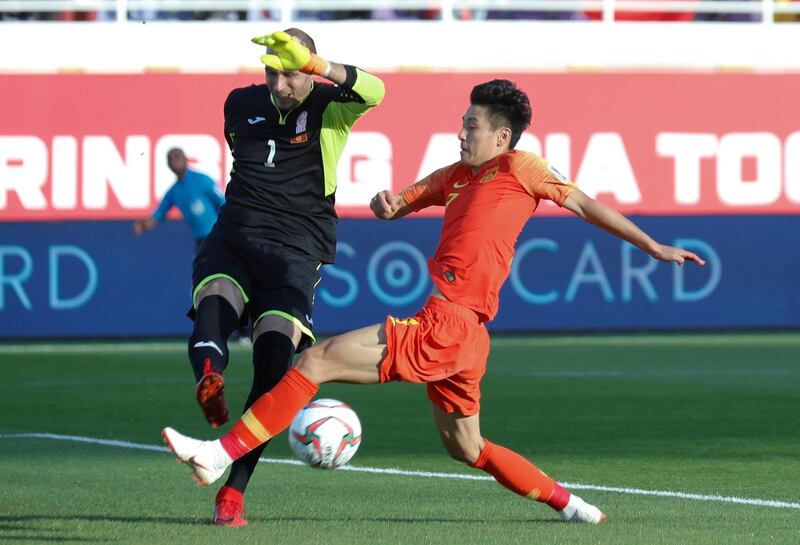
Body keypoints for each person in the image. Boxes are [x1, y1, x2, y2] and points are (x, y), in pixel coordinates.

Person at [162, 79, 704, 525]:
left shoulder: (523, 168)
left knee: (314, 360)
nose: (461, 132)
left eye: (472, 126)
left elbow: (584, 205)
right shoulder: (456, 177)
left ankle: (217, 456)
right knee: (467, 449)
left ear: (503, 135)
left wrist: (652, 245)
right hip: (465, 336)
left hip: (449, 322)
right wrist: (387, 203)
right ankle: (573, 506)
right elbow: (399, 205)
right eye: (462, 123)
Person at [179, 29, 385, 526]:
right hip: (235, 237)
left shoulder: (331, 105)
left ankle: (232, 487)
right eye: (272, 71)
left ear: (308, 68)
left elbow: (375, 89)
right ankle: (210, 382)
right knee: (213, 310)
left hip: (294, 253)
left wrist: (317, 64)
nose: (278, 83)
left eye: (289, 72)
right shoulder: (239, 104)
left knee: (274, 367)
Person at [133, 147, 224, 250]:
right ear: (168, 164)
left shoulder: (202, 180)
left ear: (186, 159)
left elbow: (223, 202)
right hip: (200, 240)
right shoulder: (173, 192)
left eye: (177, 157)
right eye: (170, 159)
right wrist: (141, 225)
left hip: (218, 236)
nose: (174, 161)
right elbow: (157, 215)